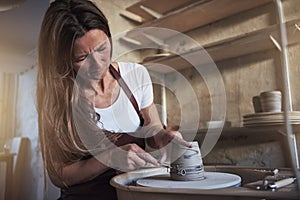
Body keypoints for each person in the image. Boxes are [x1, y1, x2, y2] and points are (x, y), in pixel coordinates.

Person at [37, 0, 191, 199]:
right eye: (82, 58)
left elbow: (152, 127)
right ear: (63, 59)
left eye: (102, 48)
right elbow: (58, 176)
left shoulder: (136, 75)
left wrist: (162, 135)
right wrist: (110, 157)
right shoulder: (58, 98)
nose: (97, 64)